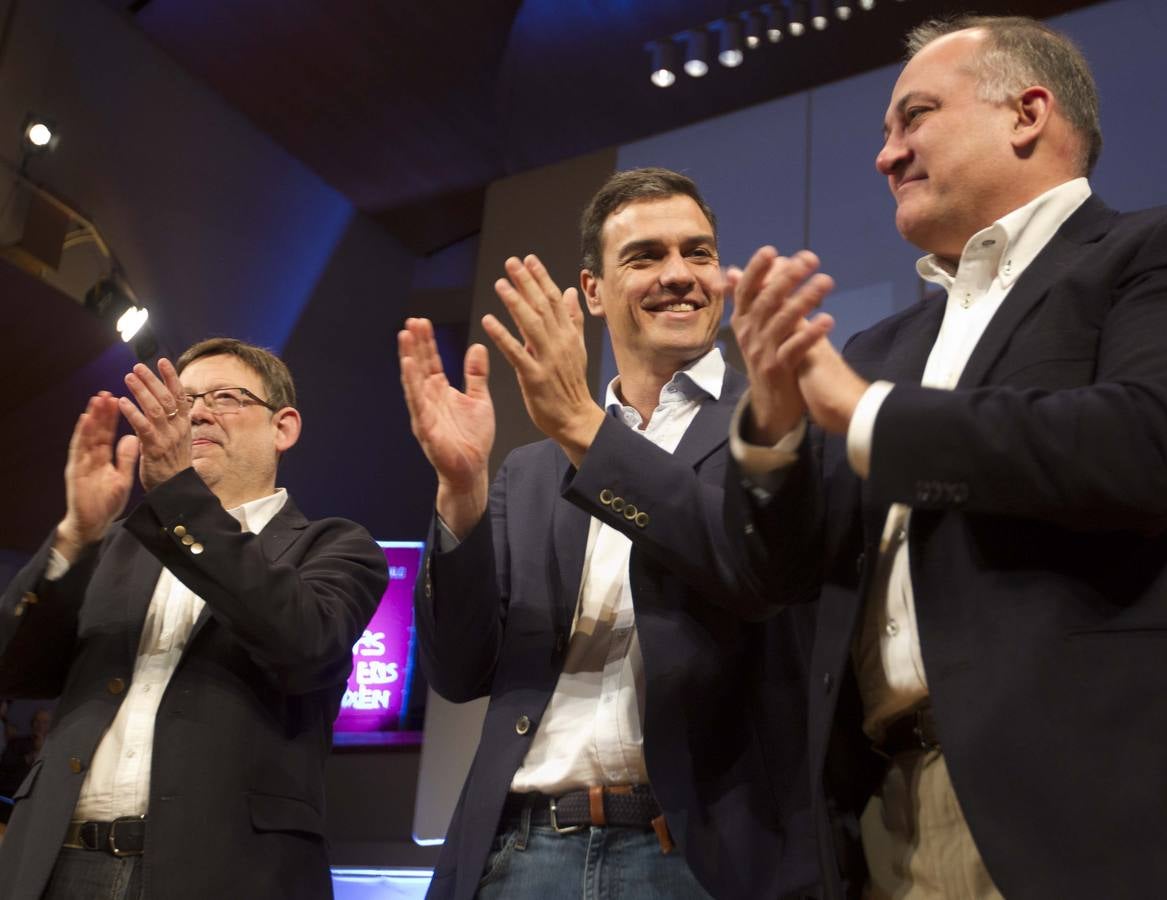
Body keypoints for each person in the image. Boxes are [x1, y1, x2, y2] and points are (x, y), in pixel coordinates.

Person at [725, 14, 1167, 899]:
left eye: (912, 117)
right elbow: (781, 578)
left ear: (1026, 113)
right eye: (884, 133)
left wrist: (863, 413)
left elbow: (1149, 448)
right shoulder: (876, 348)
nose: (885, 155)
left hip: (1106, 813)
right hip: (885, 822)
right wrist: (772, 432)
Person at [400, 168, 817, 900]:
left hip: (693, 857)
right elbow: (460, 672)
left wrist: (585, 434)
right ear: (591, 292)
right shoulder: (529, 473)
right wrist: (461, 492)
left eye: (697, 252)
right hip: (520, 850)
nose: (679, 276)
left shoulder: (772, 424)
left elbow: (748, 574)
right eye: (645, 257)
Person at [0, 338, 388, 899]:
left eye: (225, 397)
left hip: (223, 874)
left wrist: (179, 501)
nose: (198, 413)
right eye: (183, 401)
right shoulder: (114, 548)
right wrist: (75, 537)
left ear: (283, 427)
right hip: (59, 865)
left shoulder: (336, 547)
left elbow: (304, 643)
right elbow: (14, 671)